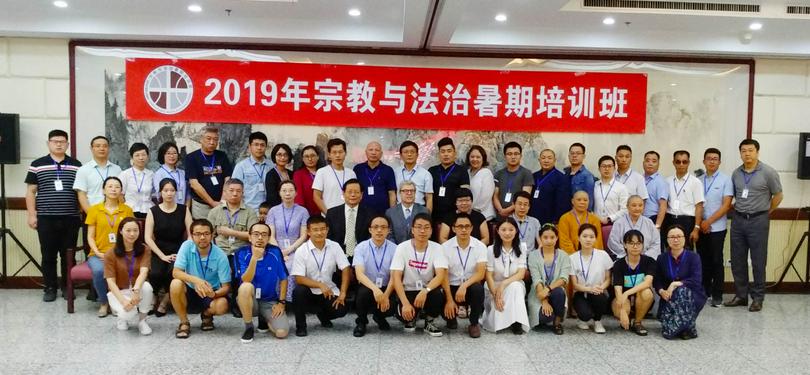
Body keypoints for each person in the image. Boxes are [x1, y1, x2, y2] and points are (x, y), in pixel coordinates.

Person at [725, 139, 782, 312]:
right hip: (738, 220)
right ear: (740, 153)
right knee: (737, 260)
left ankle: (757, 298)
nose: (747, 153)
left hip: (759, 220)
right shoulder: (736, 173)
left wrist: (765, 212)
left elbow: (778, 196)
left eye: (750, 150)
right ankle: (741, 295)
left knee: (758, 260)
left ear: (757, 152)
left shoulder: (768, 172)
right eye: (743, 150)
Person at [25, 129, 82, 301]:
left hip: (70, 218)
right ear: (48, 143)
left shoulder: (76, 165)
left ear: (67, 144)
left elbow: (80, 192)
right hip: (46, 218)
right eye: (55, 141)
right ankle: (50, 287)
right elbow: (30, 192)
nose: (59, 144)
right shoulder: (37, 164)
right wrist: (31, 215)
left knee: (68, 255)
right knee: (48, 255)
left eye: (62, 141)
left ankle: (67, 286)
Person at [170, 219, 232, 339]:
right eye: (197, 234)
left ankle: (206, 315)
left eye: (206, 234)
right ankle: (184, 322)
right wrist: (197, 281)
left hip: (210, 291)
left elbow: (226, 287)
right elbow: (176, 272)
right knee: (175, 284)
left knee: (222, 305)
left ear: (212, 235)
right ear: (192, 236)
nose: (202, 237)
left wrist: (213, 294)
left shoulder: (220, 255)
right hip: (190, 288)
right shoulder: (186, 246)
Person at [291, 216, 351, 337]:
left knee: (341, 309)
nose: (319, 233)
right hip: (309, 290)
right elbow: (298, 278)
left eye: (323, 229)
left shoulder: (334, 246)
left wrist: (343, 292)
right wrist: (319, 285)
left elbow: (345, 268)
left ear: (327, 230)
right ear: (308, 232)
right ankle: (301, 326)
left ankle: (323, 315)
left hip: (329, 291)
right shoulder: (302, 250)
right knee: (298, 292)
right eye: (315, 229)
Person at [207, 178, 258, 317]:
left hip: (241, 252)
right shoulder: (215, 212)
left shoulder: (250, 212)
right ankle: (219, 300)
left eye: (238, 191)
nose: (235, 194)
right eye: (231, 191)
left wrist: (232, 233)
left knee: (238, 272)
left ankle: (237, 303)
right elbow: (208, 235)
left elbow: (253, 235)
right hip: (220, 251)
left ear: (243, 193)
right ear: (224, 192)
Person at [390, 213, 448, 336]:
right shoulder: (402, 247)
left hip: (428, 290)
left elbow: (440, 275)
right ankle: (411, 319)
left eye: (427, 227)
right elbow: (396, 277)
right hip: (408, 290)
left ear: (431, 231)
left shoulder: (438, 248)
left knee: (437, 295)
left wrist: (425, 290)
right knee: (406, 317)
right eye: (419, 227)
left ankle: (429, 321)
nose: (422, 231)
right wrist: (405, 303)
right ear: (412, 230)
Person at [85, 176, 134, 317]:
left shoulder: (127, 210)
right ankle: (104, 302)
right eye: (110, 186)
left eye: (117, 186)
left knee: (124, 269)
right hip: (98, 254)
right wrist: (97, 252)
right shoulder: (94, 210)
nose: (113, 189)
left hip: (120, 253)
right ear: (103, 190)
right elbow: (90, 236)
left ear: (121, 191)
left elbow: (131, 234)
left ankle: (116, 302)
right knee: (100, 271)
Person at [145, 178, 192, 317]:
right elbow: (148, 237)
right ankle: (154, 298)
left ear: (176, 192)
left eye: (172, 190)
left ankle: (165, 301)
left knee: (173, 273)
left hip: (179, 249)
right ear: (160, 192)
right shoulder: (153, 211)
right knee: (155, 273)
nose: (169, 193)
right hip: (159, 250)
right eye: (166, 190)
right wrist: (161, 256)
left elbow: (191, 234)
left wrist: (182, 252)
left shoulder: (184, 210)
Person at [234, 223, 289, 342]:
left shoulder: (275, 252)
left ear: (269, 238)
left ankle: (265, 318)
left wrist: (281, 303)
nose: (260, 238)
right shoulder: (241, 253)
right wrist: (254, 258)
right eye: (256, 234)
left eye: (264, 235)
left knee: (281, 333)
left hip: (269, 301)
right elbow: (245, 279)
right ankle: (249, 327)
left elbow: (284, 278)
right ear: (249, 237)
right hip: (250, 300)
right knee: (245, 287)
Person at [441, 212, 487, 338]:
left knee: (478, 289)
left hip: (470, 285)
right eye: (460, 226)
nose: (464, 229)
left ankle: (473, 323)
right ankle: (451, 317)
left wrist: (464, 286)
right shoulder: (445, 247)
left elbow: (481, 273)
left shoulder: (480, 246)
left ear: (472, 228)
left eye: (467, 226)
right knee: (440, 295)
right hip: (451, 286)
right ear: (453, 228)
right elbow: (443, 275)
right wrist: (450, 300)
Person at [656, 225, 706, 339]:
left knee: (682, 291)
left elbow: (696, 280)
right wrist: (661, 291)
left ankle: (683, 328)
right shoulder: (662, 258)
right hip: (669, 296)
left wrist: (674, 284)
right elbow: (657, 280)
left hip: (692, 294)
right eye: (672, 237)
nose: (676, 240)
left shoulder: (694, 257)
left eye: (679, 236)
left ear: (684, 238)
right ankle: (687, 328)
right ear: (667, 240)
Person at [104, 217, 153, 335]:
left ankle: (142, 320)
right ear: (120, 231)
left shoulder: (144, 249)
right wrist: (123, 301)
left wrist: (136, 289)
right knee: (128, 314)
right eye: (128, 230)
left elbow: (144, 272)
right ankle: (121, 318)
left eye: (135, 230)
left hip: (137, 288)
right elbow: (110, 282)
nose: (132, 234)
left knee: (147, 287)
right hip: (119, 291)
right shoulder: (111, 253)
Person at [697, 148, 733, 307]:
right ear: (704, 161)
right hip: (700, 226)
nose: (712, 161)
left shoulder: (726, 180)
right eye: (709, 158)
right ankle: (705, 291)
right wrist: (701, 224)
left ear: (719, 162)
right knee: (702, 261)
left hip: (717, 227)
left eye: (715, 159)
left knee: (716, 260)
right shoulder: (698, 179)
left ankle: (717, 295)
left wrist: (709, 221)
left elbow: (726, 206)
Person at [351, 215, 398, 337]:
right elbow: (359, 274)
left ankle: (380, 317)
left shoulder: (395, 249)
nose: (379, 230)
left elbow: (395, 276)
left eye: (383, 227)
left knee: (394, 302)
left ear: (388, 230)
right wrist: (375, 290)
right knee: (363, 293)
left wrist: (386, 295)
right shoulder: (361, 247)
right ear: (370, 229)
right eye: (375, 227)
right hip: (368, 286)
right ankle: (361, 322)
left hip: (387, 286)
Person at [481, 217, 530, 334]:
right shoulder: (490, 249)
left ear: (516, 231)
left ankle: (517, 322)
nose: (507, 233)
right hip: (494, 285)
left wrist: (504, 284)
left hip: (513, 283)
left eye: (511, 229)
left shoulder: (522, 247)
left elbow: (521, 273)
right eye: (503, 230)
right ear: (497, 231)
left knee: (516, 287)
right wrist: (496, 294)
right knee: (503, 296)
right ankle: (500, 321)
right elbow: (489, 275)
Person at [266, 180, 309, 301]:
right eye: (284, 190)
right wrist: (280, 252)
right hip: (275, 248)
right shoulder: (273, 211)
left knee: (291, 265)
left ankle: (289, 299)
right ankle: (275, 298)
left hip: (296, 248)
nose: (287, 193)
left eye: (291, 190)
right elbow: (270, 235)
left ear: (296, 193)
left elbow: (304, 236)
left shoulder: (303, 211)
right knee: (276, 265)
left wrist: (290, 249)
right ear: (279, 193)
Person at [569, 223, 612, 334]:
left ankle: (598, 321)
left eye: (591, 237)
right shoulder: (572, 258)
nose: (588, 239)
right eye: (585, 236)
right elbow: (575, 284)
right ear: (579, 238)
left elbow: (608, 278)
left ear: (595, 239)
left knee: (600, 297)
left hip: (599, 291)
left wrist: (600, 287)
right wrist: (589, 289)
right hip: (581, 292)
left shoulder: (603, 255)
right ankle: (582, 319)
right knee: (585, 314)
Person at [611, 230, 656, 336]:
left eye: (638, 243)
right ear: (625, 245)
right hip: (623, 299)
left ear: (642, 245)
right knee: (619, 308)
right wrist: (622, 310)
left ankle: (637, 322)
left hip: (640, 299)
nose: (635, 246)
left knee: (647, 292)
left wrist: (627, 292)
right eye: (631, 243)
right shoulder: (618, 264)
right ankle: (626, 316)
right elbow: (618, 289)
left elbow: (647, 283)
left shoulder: (649, 261)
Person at [527, 224, 571, 334]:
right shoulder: (533, 255)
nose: (549, 241)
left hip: (555, 290)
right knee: (544, 318)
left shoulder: (564, 255)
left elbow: (564, 278)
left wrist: (548, 289)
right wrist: (544, 300)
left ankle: (557, 323)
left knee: (559, 292)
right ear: (540, 238)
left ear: (557, 238)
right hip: (538, 292)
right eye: (545, 237)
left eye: (552, 237)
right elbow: (536, 279)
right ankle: (550, 314)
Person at [185, 126, 233, 219]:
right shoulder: (191, 158)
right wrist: (212, 202)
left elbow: (227, 178)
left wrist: (222, 200)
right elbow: (194, 184)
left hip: (221, 204)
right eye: (208, 138)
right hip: (201, 206)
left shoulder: (222, 155)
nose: (212, 142)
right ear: (201, 139)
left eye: (215, 139)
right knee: (202, 231)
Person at [664, 150, 705, 248]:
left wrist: (696, 228)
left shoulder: (695, 182)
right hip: (670, 219)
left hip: (687, 221)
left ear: (688, 163)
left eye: (684, 162)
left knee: (686, 252)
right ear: (673, 163)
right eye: (678, 162)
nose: (681, 164)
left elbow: (699, 206)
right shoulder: (667, 181)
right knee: (669, 251)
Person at [74, 135, 122, 212]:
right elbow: (81, 195)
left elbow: (120, 193)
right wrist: (91, 215)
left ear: (109, 148)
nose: (102, 149)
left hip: (114, 213)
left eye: (105, 146)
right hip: (93, 213)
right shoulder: (83, 170)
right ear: (92, 148)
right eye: (98, 146)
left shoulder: (117, 169)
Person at [326, 179, 372, 258]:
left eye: (356, 192)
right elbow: (329, 237)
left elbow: (370, 237)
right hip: (338, 253)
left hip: (363, 253)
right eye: (349, 192)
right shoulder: (332, 213)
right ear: (343, 194)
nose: (353, 195)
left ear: (361, 195)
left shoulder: (370, 213)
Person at [428, 137, 470, 223]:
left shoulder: (462, 171)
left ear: (455, 153)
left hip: (454, 215)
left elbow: (465, 194)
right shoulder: (432, 171)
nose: (446, 154)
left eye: (449, 151)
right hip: (434, 216)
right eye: (442, 151)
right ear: (438, 154)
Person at [607, 195, 661, 259]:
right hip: (624, 258)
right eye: (634, 205)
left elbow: (656, 243)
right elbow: (613, 243)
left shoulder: (649, 223)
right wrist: (629, 254)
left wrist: (644, 256)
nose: (637, 208)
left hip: (646, 259)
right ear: (627, 207)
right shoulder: (619, 223)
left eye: (640, 205)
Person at [313, 138, 357, 214]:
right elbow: (316, 196)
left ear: (345, 153)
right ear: (329, 155)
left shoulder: (351, 173)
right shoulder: (322, 172)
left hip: (349, 215)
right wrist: (328, 214)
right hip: (329, 217)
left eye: (340, 152)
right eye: (334, 152)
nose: (337, 155)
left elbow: (356, 194)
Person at [353, 141, 397, 215]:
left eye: (377, 150)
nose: (373, 153)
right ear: (366, 152)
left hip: (383, 213)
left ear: (381, 153)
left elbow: (392, 194)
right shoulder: (358, 169)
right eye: (370, 150)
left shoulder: (388, 170)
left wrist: (392, 214)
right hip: (361, 213)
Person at [231, 132, 271, 211]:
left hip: (268, 211)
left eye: (262, 145)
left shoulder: (271, 166)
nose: (259, 148)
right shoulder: (241, 166)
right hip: (248, 210)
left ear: (266, 147)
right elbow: (235, 189)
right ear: (249, 147)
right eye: (256, 144)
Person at [530, 149, 571, 225]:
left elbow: (562, 203)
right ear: (539, 160)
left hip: (550, 220)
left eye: (549, 158)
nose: (546, 160)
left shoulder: (561, 178)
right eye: (543, 158)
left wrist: (556, 221)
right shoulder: (533, 176)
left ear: (554, 160)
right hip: (532, 218)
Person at [493, 142, 533, 218]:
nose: (513, 157)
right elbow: (495, 195)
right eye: (509, 154)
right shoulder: (498, 174)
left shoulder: (526, 173)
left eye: (516, 154)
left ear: (521, 156)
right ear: (505, 156)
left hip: (517, 217)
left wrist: (507, 210)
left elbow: (525, 196)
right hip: (499, 216)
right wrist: (500, 210)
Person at [394, 140, 433, 212]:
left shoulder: (425, 174)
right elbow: (393, 195)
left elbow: (429, 198)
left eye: (412, 152)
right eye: (406, 152)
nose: (409, 154)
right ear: (401, 155)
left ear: (417, 155)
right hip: (400, 211)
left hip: (419, 210)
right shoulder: (395, 173)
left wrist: (427, 217)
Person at [120, 143, 155, 218]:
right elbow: (120, 195)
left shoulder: (151, 174)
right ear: (132, 157)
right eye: (137, 155)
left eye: (143, 155)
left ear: (147, 156)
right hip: (130, 211)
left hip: (148, 211)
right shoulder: (125, 174)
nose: (141, 158)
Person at [594, 155, 629, 226]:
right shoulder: (594, 185)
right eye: (604, 166)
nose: (607, 169)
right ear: (599, 169)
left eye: (610, 166)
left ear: (614, 168)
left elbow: (625, 209)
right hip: (596, 223)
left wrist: (609, 218)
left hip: (615, 224)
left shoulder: (621, 187)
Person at [466, 145, 496, 220]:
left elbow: (486, 196)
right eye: (472, 157)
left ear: (483, 159)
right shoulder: (467, 173)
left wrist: (473, 210)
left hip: (484, 215)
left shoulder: (486, 173)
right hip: (468, 214)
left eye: (478, 157)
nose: (475, 159)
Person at [293, 145, 323, 217]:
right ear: (302, 159)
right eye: (306, 156)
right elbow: (299, 197)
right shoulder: (298, 174)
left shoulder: (324, 172)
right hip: (307, 213)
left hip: (324, 211)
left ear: (318, 157)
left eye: (313, 155)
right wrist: (303, 214)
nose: (310, 159)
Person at [565, 143, 595, 211]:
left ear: (583, 156)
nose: (574, 156)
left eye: (578, 153)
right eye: (572, 153)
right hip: (564, 215)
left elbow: (589, 201)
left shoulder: (587, 176)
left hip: (579, 215)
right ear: (569, 156)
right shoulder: (565, 173)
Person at [642, 151, 668, 230]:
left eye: (654, 161)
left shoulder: (661, 182)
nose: (650, 164)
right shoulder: (639, 179)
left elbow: (663, 205)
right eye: (647, 160)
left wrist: (657, 226)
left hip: (653, 219)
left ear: (658, 164)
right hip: (639, 219)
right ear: (643, 163)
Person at [264, 143, 293, 208]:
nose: (282, 157)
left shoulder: (292, 173)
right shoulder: (271, 175)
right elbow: (272, 198)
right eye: (279, 155)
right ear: (274, 156)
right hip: (277, 210)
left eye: (285, 155)